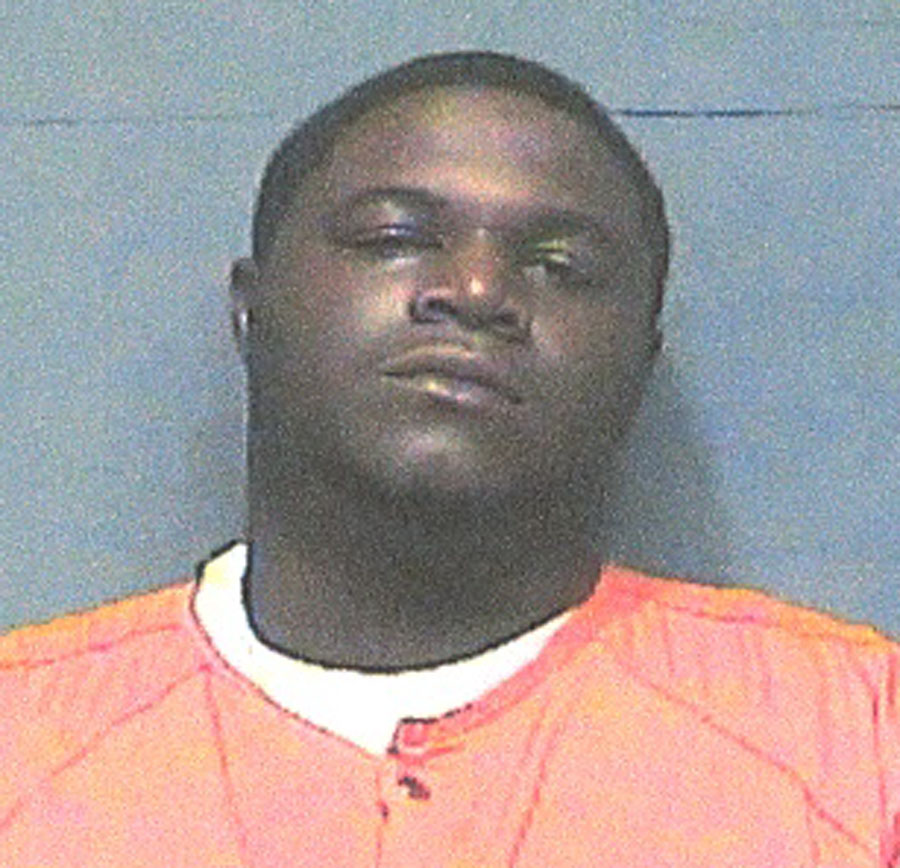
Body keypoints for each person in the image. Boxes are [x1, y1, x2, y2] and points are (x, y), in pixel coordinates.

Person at [1, 51, 898, 867]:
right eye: (393, 239)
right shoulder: (26, 743)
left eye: (561, 266)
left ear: (639, 363)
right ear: (252, 311)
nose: (475, 291)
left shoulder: (855, 739)